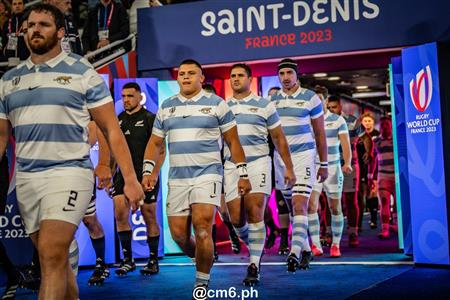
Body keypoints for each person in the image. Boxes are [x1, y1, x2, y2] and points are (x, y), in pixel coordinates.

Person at [0, 4, 144, 299]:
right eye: (30, 25)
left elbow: (111, 130)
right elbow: (1, 138)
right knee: (54, 260)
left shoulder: (82, 71)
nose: (35, 29)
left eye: (44, 24)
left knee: (52, 254)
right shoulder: (7, 81)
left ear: (61, 32)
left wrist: (128, 178)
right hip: (26, 179)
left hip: (69, 173)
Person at [141, 59, 251, 293]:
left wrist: (242, 173)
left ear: (202, 78)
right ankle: (203, 258)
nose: (186, 77)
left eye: (192, 73)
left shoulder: (217, 104)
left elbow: (233, 141)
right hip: (178, 178)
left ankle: (201, 284)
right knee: (180, 236)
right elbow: (156, 143)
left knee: (202, 229)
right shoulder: (166, 106)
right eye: (182, 74)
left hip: (207, 176)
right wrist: (148, 170)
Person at [223, 63, 295, 285]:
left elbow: (279, 138)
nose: (236, 79)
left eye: (240, 75)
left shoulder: (264, 105)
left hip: (258, 164)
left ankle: (254, 263)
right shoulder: (222, 107)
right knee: (235, 218)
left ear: (249, 79)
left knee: (255, 214)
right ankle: (256, 243)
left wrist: (289, 167)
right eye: (232, 76)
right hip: (231, 166)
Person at [269, 58, 328, 272]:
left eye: (289, 73)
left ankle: (293, 253)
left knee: (300, 205)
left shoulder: (311, 98)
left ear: (296, 75)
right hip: (281, 160)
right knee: (293, 210)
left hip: (305, 157)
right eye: (282, 73)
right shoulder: (273, 101)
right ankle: (306, 250)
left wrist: (324, 163)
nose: (285, 77)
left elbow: (320, 134)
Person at [109, 82, 165, 276]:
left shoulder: (150, 118)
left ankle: (152, 260)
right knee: (119, 215)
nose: (126, 100)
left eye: (130, 96)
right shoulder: (118, 120)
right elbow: (114, 152)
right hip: (122, 176)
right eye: (123, 96)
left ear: (140, 97)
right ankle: (128, 260)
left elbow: (161, 150)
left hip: (146, 176)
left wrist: (154, 174)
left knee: (149, 215)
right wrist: (109, 172)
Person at [307, 88, 352, 258]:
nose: (317, 102)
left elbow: (345, 145)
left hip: (333, 168)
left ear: (325, 101)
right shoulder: (307, 120)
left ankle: (335, 244)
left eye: (319, 99)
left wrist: (347, 163)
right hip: (314, 168)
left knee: (335, 207)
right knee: (311, 205)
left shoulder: (338, 120)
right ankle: (316, 245)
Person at [326, 95, 361, 247]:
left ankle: (353, 232)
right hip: (330, 165)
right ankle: (328, 232)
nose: (331, 110)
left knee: (350, 200)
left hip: (348, 166)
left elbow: (365, 138)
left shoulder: (352, 121)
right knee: (330, 202)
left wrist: (368, 152)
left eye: (334, 107)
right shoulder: (323, 120)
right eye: (329, 107)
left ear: (340, 107)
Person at [370, 116, 396, 239]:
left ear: (391, 125)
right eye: (382, 125)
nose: (384, 127)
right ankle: (385, 229)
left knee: (397, 204)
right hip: (383, 175)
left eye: (387, 124)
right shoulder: (376, 141)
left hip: (396, 176)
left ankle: (395, 224)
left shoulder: (396, 140)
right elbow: (373, 159)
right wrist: (372, 176)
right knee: (384, 202)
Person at [358, 112, 379, 230]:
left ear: (373, 123)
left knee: (372, 194)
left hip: (374, 169)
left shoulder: (377, 136)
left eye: (369, 121)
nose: (367, 123)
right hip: (361, 170)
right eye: (365, 121)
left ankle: (374, 219)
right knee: (361, 196)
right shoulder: (359, 137)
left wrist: (374, 175)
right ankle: (358, 223)